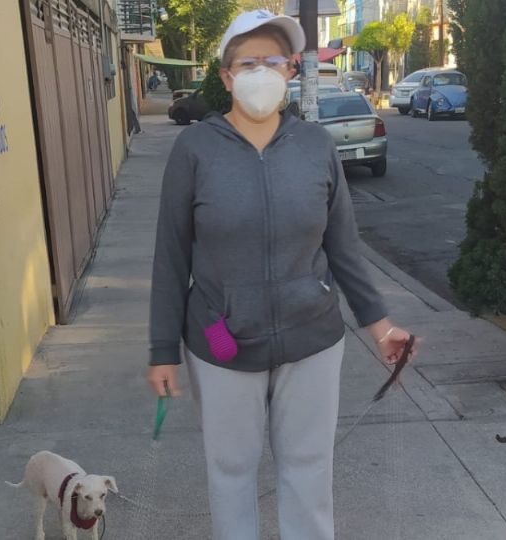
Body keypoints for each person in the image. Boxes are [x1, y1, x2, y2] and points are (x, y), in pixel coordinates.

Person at [147, 9, 417, 540]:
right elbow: (170, 254)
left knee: (308, 473)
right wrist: (162, 349)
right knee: (231, 474)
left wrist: (380, 327)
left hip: (312, 338)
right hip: (221, 343)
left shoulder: (316, 146)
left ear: (292, 71)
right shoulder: (195, 150)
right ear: (226, 76)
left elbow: (343, 245)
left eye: (274, 61)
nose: (262, 72)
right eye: (249, 62)